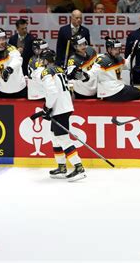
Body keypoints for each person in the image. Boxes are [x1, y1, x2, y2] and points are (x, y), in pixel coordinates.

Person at [37, 48, 87, 182]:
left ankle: (79, 167)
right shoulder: (60, 69)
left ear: (46, 60)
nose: (41, 61)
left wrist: (47, 107)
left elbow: (52, 92)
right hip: (64, 106)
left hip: (59, 109)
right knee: (55, 137)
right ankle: (61, 166)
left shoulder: (46, 72)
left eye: (42, 59)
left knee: (64, 139)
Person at [90, 37, 140, 101]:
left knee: (137, 92)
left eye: (119, 49)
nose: (118, 51)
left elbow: (128, 65)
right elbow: (92, 73)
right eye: (115, 49)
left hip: (118, 88)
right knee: (139, 93)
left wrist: (132, 54)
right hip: (108, 91)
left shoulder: (119, 58)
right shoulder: (102, 60)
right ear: (109, 49)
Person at [0, 28, 27, 99]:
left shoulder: (12, 49)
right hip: (2, 90)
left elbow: (18, 60)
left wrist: (9, 68)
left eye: (3, 39)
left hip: (18, 89)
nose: (1, 42)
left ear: (6, 39)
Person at [66, 34, 97, 99]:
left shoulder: (91, 50)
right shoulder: (73, 60)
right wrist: (71, 74)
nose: (83, 46)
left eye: (84, 44)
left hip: (95, 88)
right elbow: (69, 76)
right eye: (80, 45)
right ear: (75, 47)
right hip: (82, 90)